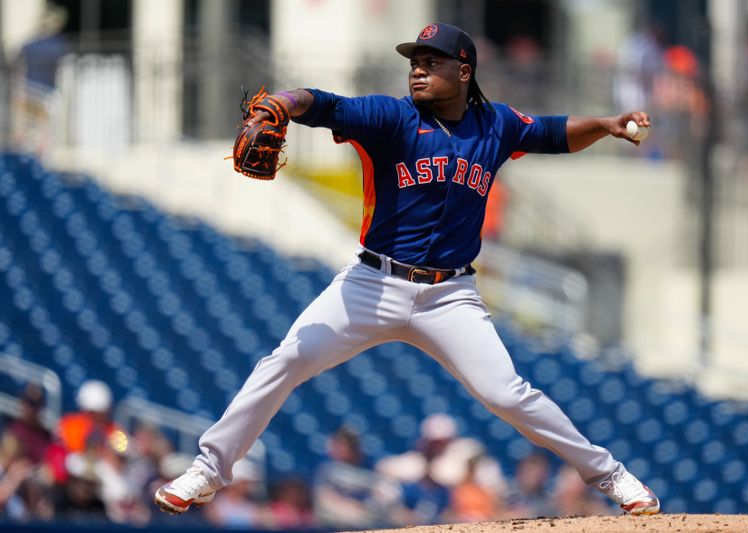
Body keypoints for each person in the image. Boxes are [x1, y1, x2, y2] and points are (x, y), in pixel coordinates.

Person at [154, 22, 659, 517]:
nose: (418, 71)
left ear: (464, 71)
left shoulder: (496, 124)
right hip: (373, 283)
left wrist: (607, 125)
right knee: (285, 361)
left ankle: (611, 476)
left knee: (507, 393)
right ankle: (209, 470)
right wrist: (283, 103)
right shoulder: (389, 118)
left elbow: (554, 132)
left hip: (450, 296)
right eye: (414, 62)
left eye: (431, 62)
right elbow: (325, 103)